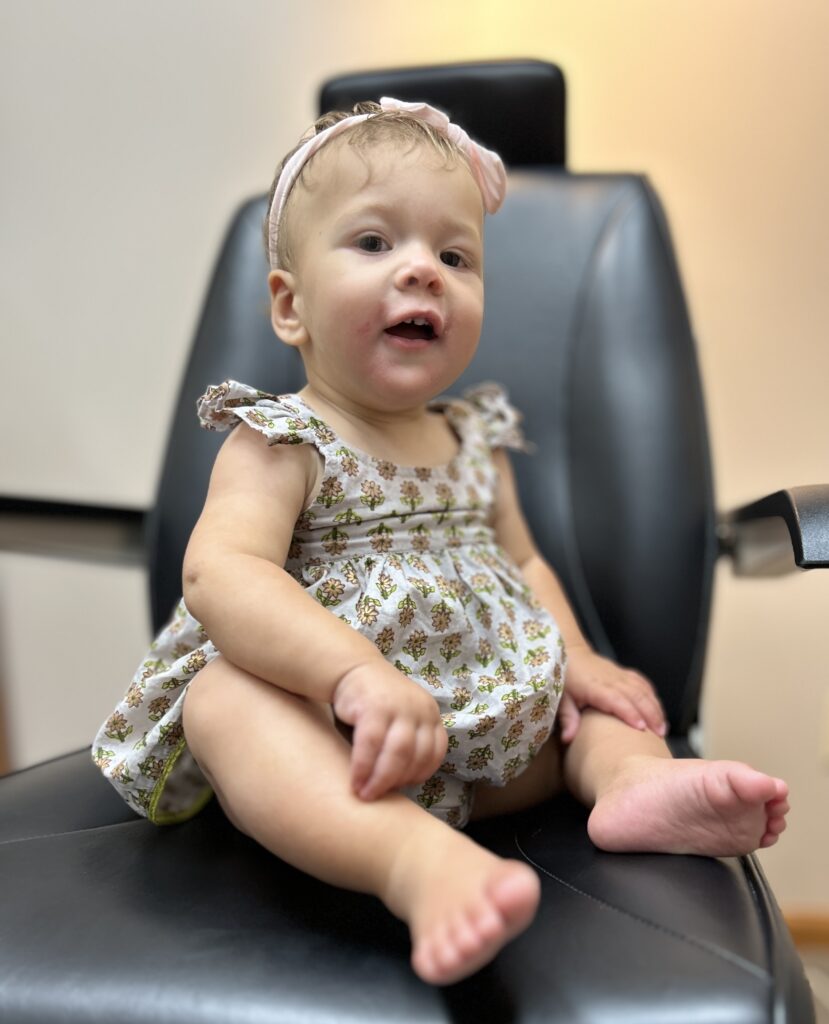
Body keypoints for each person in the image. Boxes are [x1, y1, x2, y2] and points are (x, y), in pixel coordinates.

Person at [93, 98, 789, 986]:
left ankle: (632, 786)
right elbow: (222, 574)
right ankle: (413, 863)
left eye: (455, 257)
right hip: (342, 743)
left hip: (494, 736)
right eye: (374, 242)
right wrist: (352, 675)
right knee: (224, 701)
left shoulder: (475, 440)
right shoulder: (282, 442)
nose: (423, 269)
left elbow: (525, 564)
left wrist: (577, 660)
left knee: (594, 711)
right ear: (290, 306)